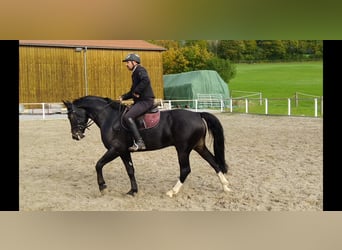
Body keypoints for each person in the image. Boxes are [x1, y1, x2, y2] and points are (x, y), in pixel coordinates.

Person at [119, 53, 155, 152]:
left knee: (128, 117)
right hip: (141, 101)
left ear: (134, 62)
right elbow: (132, 91)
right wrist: (123, 97)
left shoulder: (140, 70)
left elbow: (146, 80)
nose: (126, 65)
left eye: (128, 62)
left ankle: (140, 142)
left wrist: (137, 91)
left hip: (145, 101)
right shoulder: (135, 73)